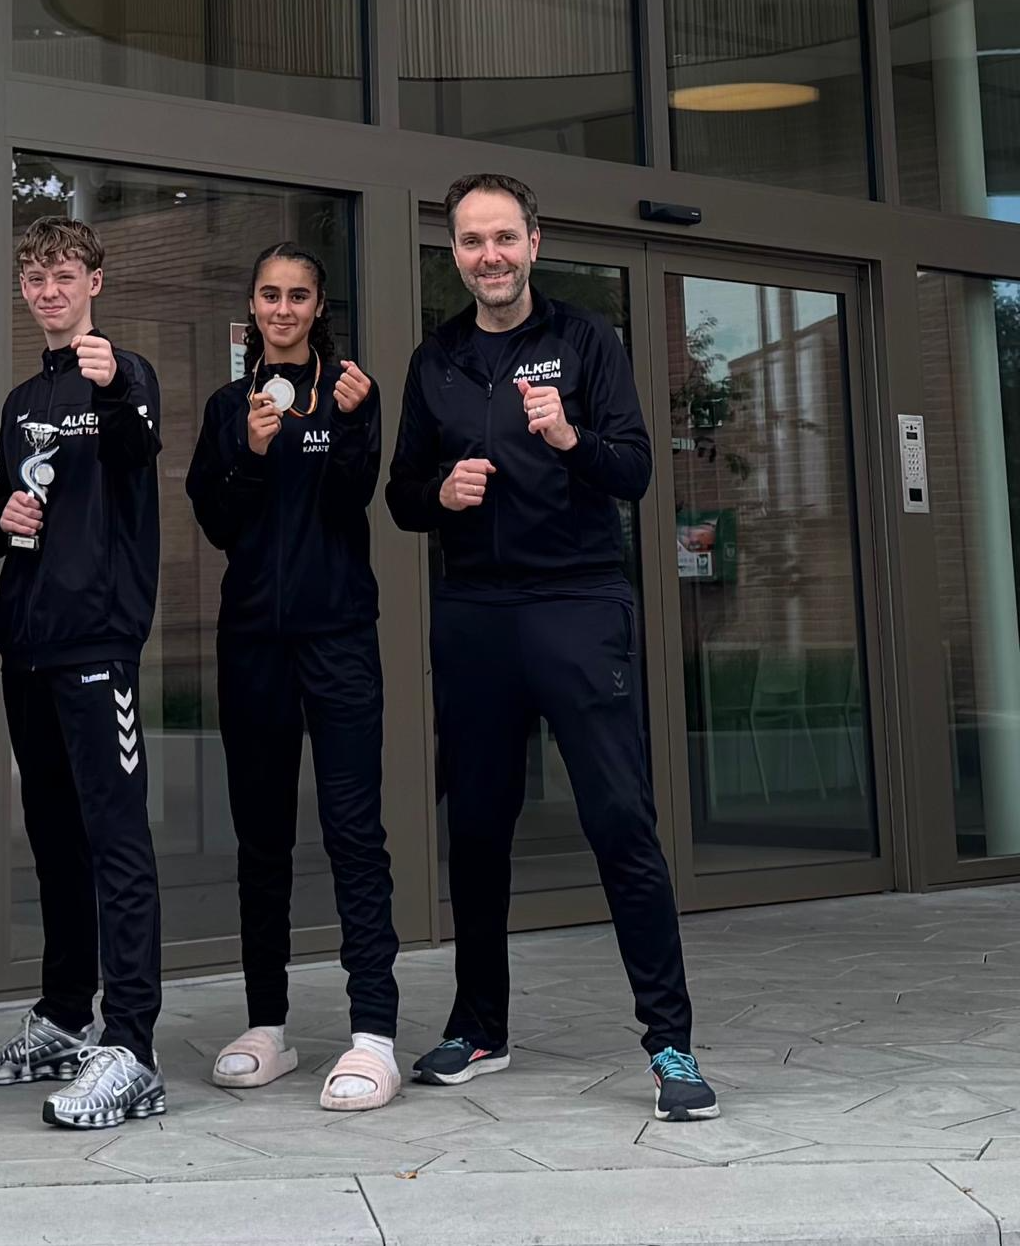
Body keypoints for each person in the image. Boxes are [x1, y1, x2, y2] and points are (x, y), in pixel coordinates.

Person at [385, 174, 718, 1123]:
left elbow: (636, 471)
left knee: (620, 822)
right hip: (476, 612)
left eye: (503, 237)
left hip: (577, 603)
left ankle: (671, 1043)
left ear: (536, 241)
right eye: (469, 241)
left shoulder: (587, 341)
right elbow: (402, 491)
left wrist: (569, 435)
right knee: (480, 828)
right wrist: (439, 494)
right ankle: (480, 1027)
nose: (488, 255)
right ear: (453, 252)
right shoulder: (436, 359)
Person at [185, 243, 401, 1111]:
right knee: (262, 838)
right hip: (253, 645)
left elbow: (353, 498)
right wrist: (247, 451)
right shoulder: (227, 404)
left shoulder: (350, 389)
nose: (283, 308)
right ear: (253, 308)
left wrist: (348, 426)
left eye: (298, 296)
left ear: (318, 308)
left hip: (339, 637)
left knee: (354, 832)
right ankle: (267, 1025)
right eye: (270, 295)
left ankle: (373, 1034)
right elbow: (215, 518)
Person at [0, 216, 165, 1131]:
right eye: (34, 275)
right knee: (54, 843)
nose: (47, 288)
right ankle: (61, 1019)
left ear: (95, 282)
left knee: (117, 845)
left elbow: (133, 447)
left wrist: (111, 381)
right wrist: (4, 512)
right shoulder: (18, 398)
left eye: (64, 273)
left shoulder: (123, 376)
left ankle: (132, 1047)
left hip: (96, 647)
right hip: (28, 648)